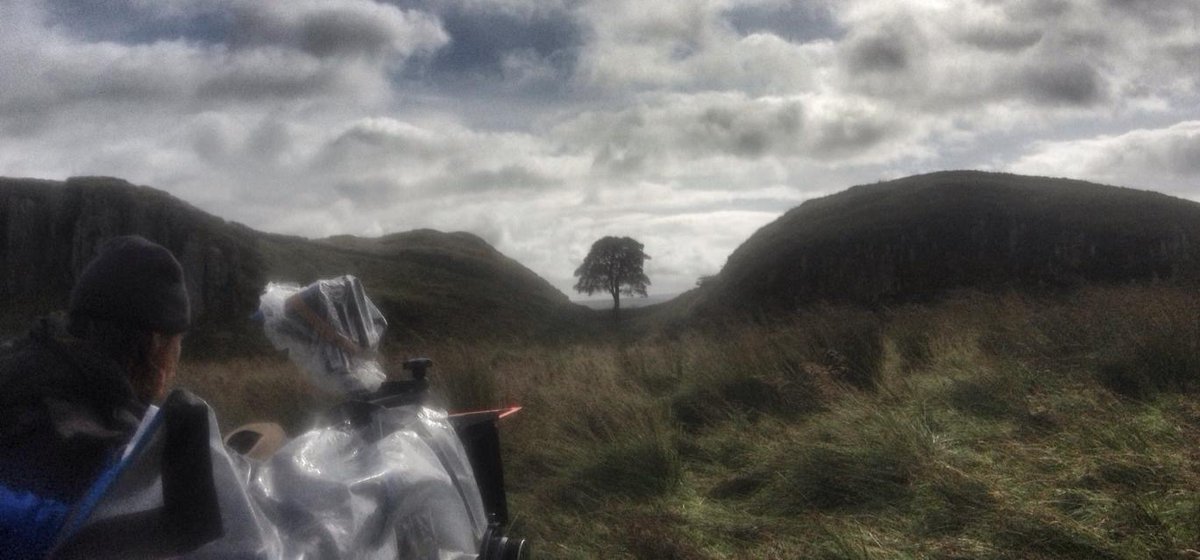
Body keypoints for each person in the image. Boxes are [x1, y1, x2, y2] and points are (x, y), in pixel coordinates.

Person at [0, 235, 190, 559]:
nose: (177, 357)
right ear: (155, 344)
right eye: (176, 342)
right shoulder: (81, 441)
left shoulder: (32, 371)